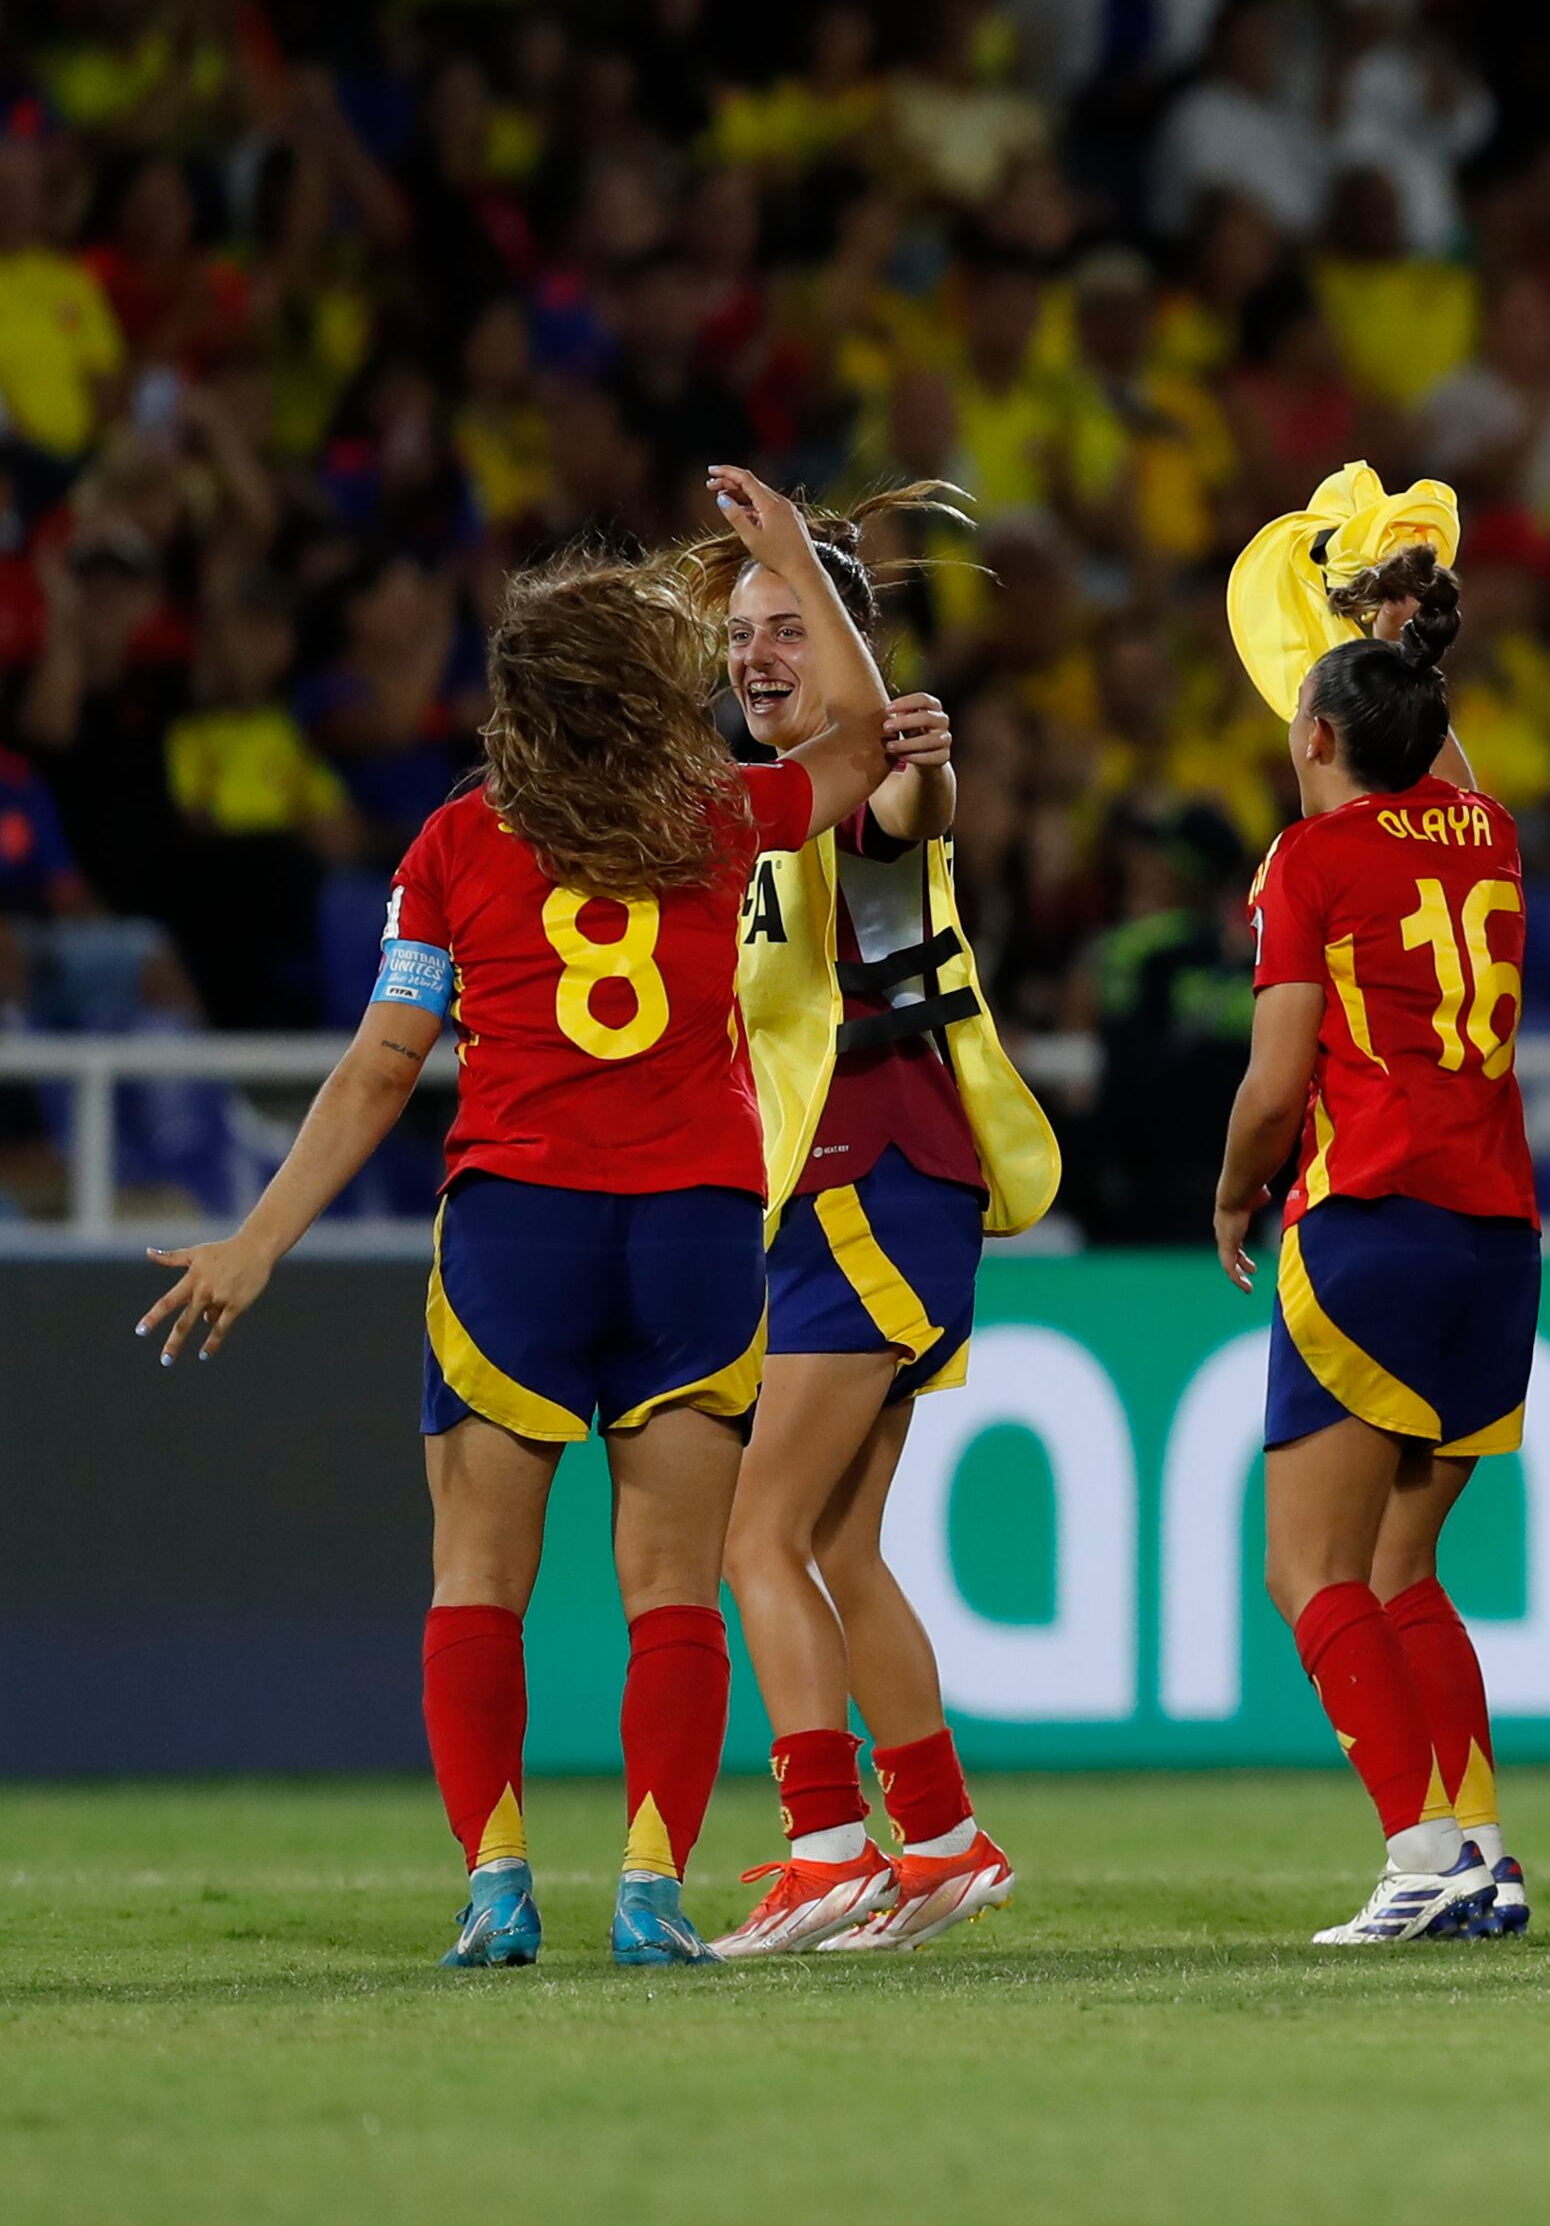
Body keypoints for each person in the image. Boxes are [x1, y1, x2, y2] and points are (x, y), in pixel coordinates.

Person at [141, 475, 892, 1967]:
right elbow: (864, 741)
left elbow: (381, 1065)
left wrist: (258, 1239)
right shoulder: (718, 817)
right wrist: (796, 562)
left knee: (479, 1581)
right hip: (691, 1231)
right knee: (670, 1592)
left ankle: (498, 1885)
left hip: (518, 1233)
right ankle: (651, 1892)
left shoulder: (452, 844)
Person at [701, 496, 1066, 1958]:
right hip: (853, 1185)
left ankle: (825, 1847)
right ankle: (943, 1838)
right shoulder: (764, 804)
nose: (758, 654)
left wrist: (800, 552)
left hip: (874, 1176)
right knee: (842, 1543)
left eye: (789, 626)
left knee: (757, 1534)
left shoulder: (876, 778)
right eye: (742, 631)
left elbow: (920, 807)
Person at [1206, 542, 1543, 1947]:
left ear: (1316, 737)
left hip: (1372, 1223)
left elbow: (1276, 1080)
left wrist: (1237, 1188)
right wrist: (1407, 652)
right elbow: (1436, 774)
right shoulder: (1491, 833)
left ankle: (1421, 1855)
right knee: (1404, 1565)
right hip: (1498, 1241)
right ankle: (1482, 1852)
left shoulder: (1310, 859)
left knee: (1311, 1568)